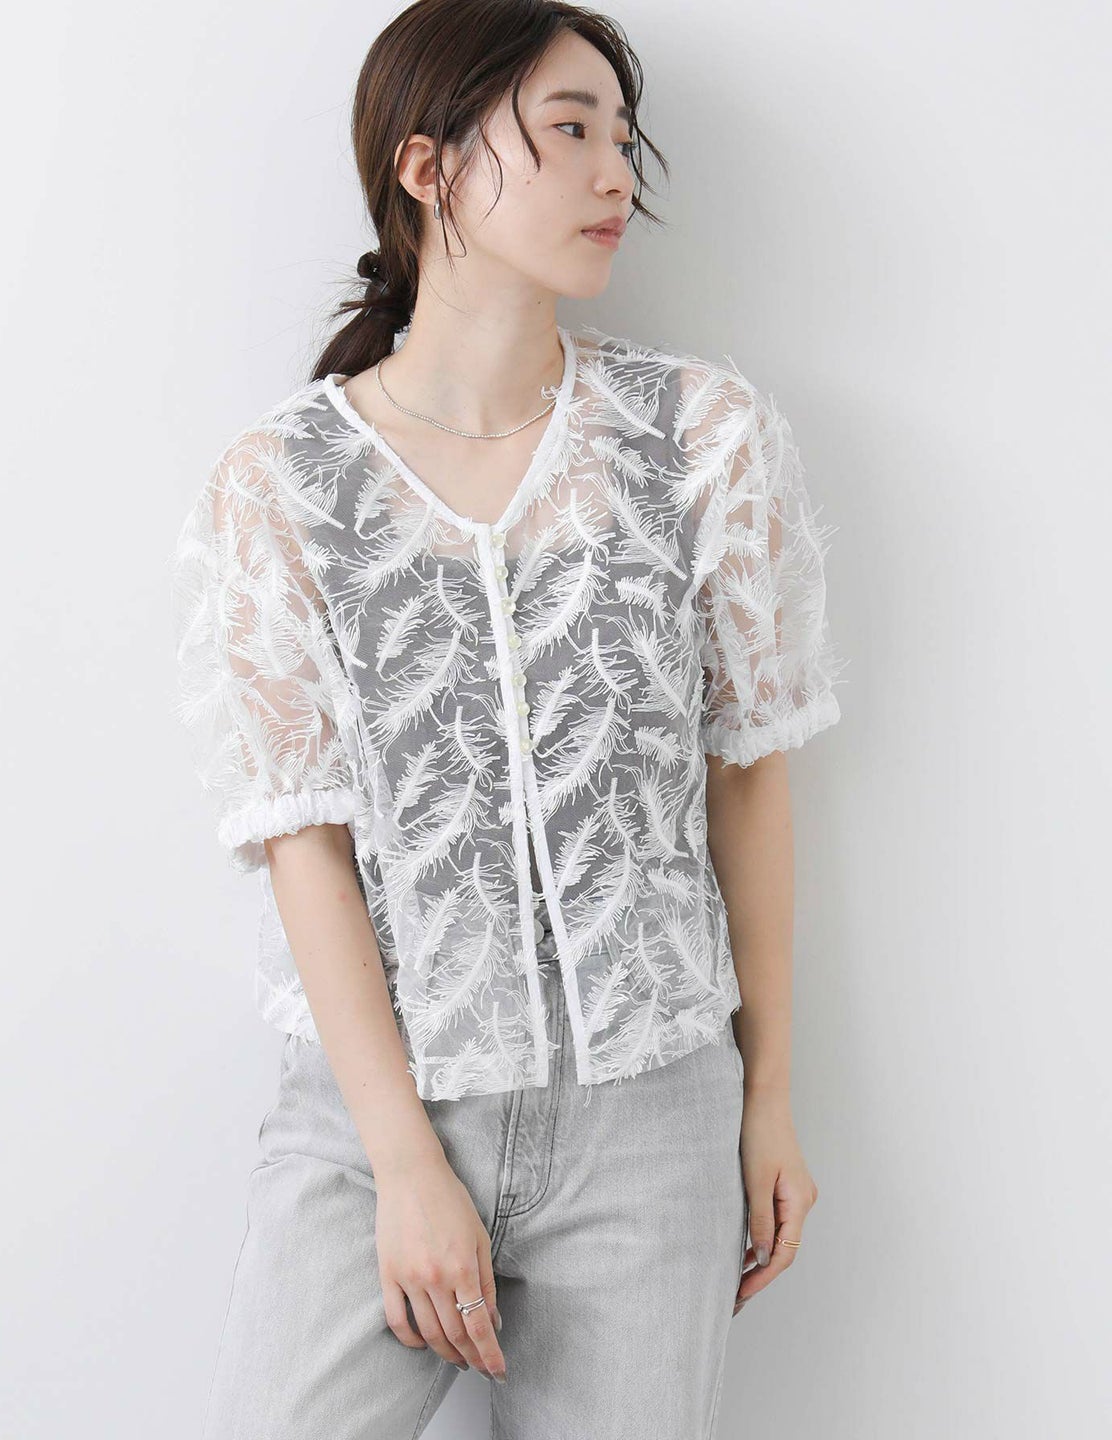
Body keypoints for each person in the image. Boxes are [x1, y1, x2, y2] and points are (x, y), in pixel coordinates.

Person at [170, 2, 846, 1435]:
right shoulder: (280, 485)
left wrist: (769, 1095)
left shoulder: (704, 440)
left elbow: (748, 780)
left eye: (623, 139)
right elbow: (304, 841)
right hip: (374, 1121)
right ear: (426, 168)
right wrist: (405, 1162)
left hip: (653, 1118)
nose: (615, 176)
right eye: (568, 131)